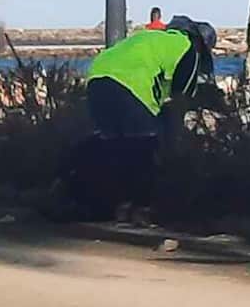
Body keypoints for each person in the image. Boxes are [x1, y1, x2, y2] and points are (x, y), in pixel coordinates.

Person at [71, 16, 216, 219]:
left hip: (96, 80)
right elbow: (180, 99)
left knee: (112, 145)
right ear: (200, 44)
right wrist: (175, 141)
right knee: (145, 145)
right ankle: (141, 208)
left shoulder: (149, 38)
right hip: (130, 89)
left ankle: (101, 203)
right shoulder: (188, 49)